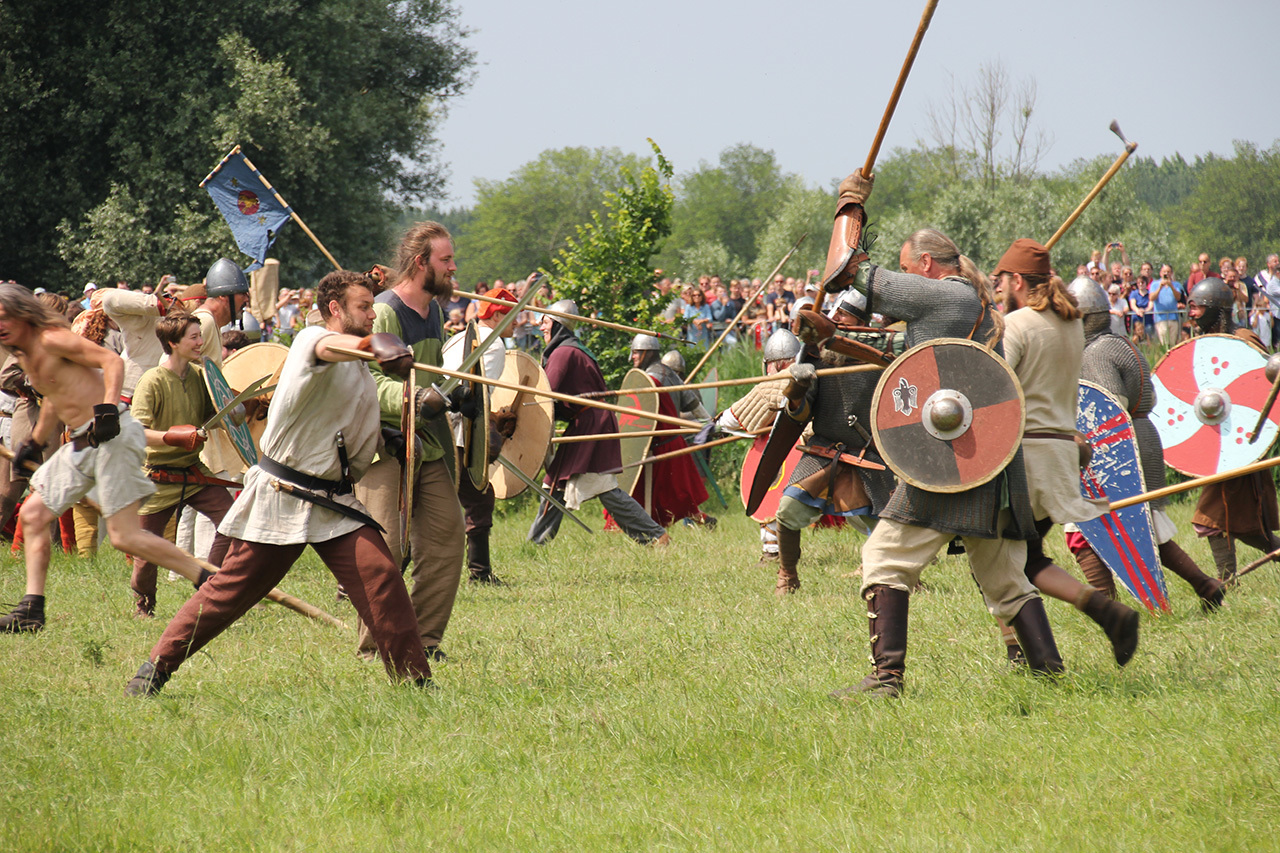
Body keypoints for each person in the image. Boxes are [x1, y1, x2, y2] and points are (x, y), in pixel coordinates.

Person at [124, 270, 434, 694]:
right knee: (227, 594)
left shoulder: (358, 369)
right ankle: (155, 669)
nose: (372, 316)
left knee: (382, 577)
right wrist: (372, 344)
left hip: (333, 503)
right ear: (335, 309)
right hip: (284, 495)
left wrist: (385, 436)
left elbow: (335, 424)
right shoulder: (313, 340)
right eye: (363, 308)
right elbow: (333, 346)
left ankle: (415, 684)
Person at [816, 178, 1062, 698]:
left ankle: (887, 680)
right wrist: (839, 336)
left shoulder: (941, 295)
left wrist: (849, 208)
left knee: (883, 558)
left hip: (950, 456)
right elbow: (913, 370)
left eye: (908, 269)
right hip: (987, 459)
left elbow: (845, 273)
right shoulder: (972, 304)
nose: (907, 279)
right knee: (1003, 576)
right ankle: (1048, 671)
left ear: (926, 266)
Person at [0, 284, 209, 634]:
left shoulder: (52, 339)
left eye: (6, 317)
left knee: (125, 537)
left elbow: (110, 361)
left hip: (114, 435)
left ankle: (208, 582)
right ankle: (31, 610)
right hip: (82, 442)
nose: (1, 325)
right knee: (35, 514)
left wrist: (108, 409)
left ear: (23, 315)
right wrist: (34, 443)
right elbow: (52, 397)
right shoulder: (25, 355)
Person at [994, 240, 1140, 667]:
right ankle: (1034, 647)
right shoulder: (1071, 323)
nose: (1000, 286)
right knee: (1023, 557)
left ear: (1017, 280)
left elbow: (997, 387)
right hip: (1061, 452)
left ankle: (1094, 619)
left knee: (1011, 560)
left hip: (1026, 457)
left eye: (1004, 279)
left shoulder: (1018, 324)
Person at [1066, 279, 1226, 611]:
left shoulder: (1095, 353)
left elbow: (1110, 408)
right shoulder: (1120, 343)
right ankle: (1206, 585)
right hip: (1142, 436)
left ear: (1082, 318)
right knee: (1145, 528)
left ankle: (1109, 611)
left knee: (1082, 530)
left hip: (1117, 447)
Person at [353, 221, 467, 662]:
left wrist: (457, 397)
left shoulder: (435, 312)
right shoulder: (382, 312)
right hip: (385, 447)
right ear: (421, 263)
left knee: (446, 538)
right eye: (446, 260)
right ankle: (374, 648)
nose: (453, 268)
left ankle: (423, 641)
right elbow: (364, 379)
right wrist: (414, 397)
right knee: (385, 552)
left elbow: (433, 377)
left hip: (429, 447)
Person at [527, 301, 670, 547]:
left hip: (592, 424)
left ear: (559, 324)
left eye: (546, 322)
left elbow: (545, 393)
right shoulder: (570, 349)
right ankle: (535, 544)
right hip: (587, 421)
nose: (541, 327)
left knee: (603, 488)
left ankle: (655, 536)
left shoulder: (564, 353)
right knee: (555, 484)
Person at [127, 312, 237, 617]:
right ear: (173, 343)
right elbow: (136, 432)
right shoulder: (152, 380)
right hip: (156, 477)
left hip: (192, 472)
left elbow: (213, 417)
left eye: (200, 336)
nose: (201, 342)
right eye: (194, 337)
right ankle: (143, 606)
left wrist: (245, 406)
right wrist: (173, 438)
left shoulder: (200, 376)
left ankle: (209, 585)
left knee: (230, 519)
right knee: (147, 553)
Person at [1184, 277, 1280, 581]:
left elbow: (1263, 389)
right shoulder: (1205, 345)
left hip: (1241, 447)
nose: (1192, 314)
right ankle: (1233, 578)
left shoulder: (1243, 340)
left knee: (1210, 519)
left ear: (1216, 309)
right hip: (1222, 448)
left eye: (1197, 307)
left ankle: (1226, 583)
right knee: (1246, 525)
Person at [440, 284, 524, 585]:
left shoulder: (458, 338)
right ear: (499, 314)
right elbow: (473, 394)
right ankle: (480, 573)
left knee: (438, 499)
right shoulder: (493, 344)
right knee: (477, 498)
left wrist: (492, 418)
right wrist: (490, 421)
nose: (518, 322)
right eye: (512, 315)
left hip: (438, 426)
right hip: (459, 432)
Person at [613, 334, 712, 530]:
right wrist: (708, 421)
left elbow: (690, 402)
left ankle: (651, 531)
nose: (632, 357)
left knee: (667, 496)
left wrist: (709, 424)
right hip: (666, 441)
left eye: (636, 352)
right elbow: (693, 403)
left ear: (648, 353)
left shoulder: (652, 378)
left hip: (658, 443)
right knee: (675, 496)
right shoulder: (669, 374)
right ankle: (693, 522)